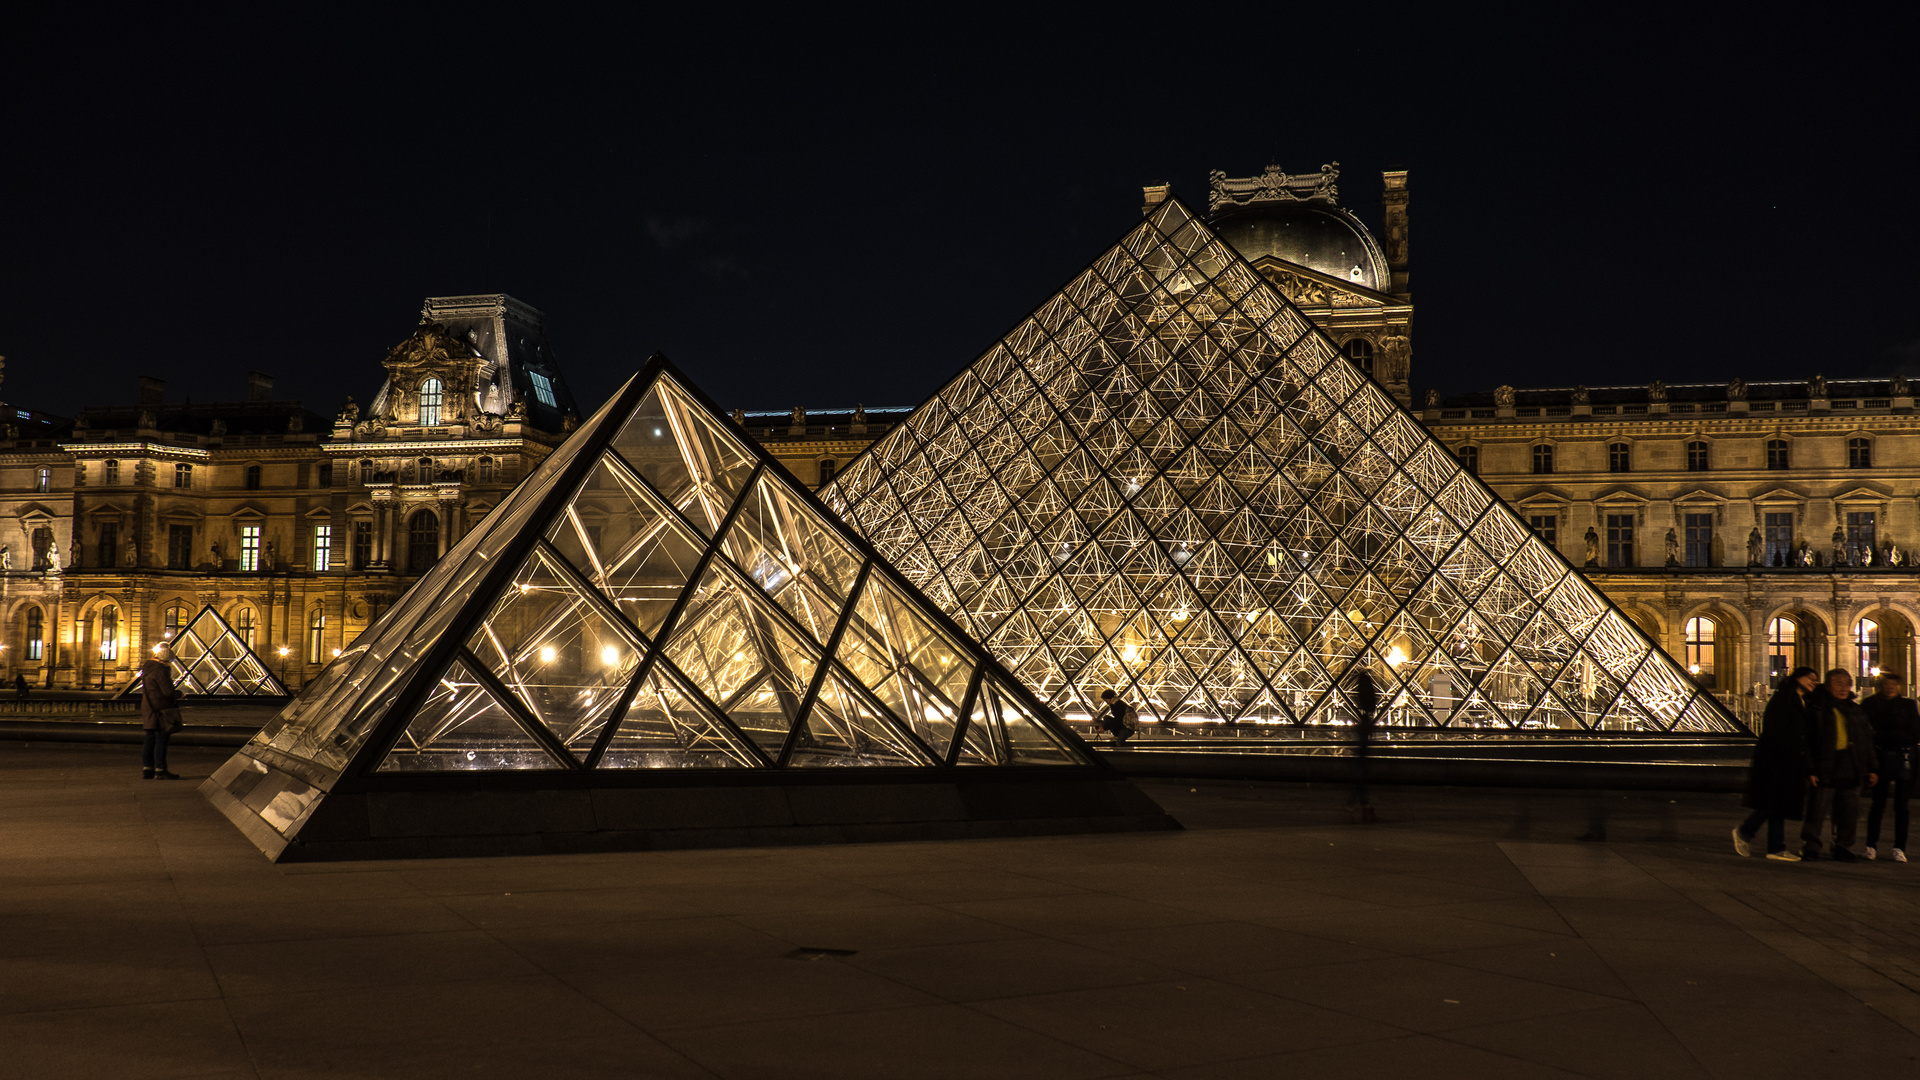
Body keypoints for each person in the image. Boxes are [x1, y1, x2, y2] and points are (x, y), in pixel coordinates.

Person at [1735, 667, 1817, 861]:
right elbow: (1781, 732)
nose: (1814, 682)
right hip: (1778, 759)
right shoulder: (1785, 700)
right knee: (1774, 802)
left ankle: (1775, 847)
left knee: (1777, 803)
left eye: (1816, 680)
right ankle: (1746, 832)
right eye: (1810, 678)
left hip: (1784, 758)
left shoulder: (1799, 700)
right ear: (1798, 678)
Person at [1801, 668, 1877, 860]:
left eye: (1847, 684)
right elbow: (1807, 741)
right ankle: (1811, 845)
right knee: (1817, 809)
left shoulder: (1855, 710)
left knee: (1849, 811)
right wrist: (1810, 768)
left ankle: (1843, 846)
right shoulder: (1817, 709)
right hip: (1826, 764)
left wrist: (1872, 767)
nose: (1844, 688)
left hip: (1851, 764)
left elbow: (1867, 741)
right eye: (1839, 684)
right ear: (1828, 686)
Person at [1864, 671, 1919, 862]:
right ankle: (1871, 845)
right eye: (1887, 683)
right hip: (1881, 757)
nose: (1891, 686)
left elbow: (1915, 732)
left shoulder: (1908, 705)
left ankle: (1899, 847)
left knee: (1901, 805)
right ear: (1881, 684)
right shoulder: (1870, 704)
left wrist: (1885, 736)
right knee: (1877, 804)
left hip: (1902, 757)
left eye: (1894, 683)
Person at [139, 644, 183, 780]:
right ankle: (161, 770)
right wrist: (179, 694)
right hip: (161, 710)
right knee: (161, 740)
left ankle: (148, 769)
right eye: (169, 662)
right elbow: (167, 692)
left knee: (150, 739)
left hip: (149, 708)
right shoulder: (160, 670)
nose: (169, 664)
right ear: (165, 660)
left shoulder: (148, 669)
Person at [1349, 667, 1380, 824]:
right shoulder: (1368, 694)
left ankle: (1355, 808)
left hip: (1360, 752)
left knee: (1359, 781)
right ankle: (1362, 808)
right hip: (1363, 752)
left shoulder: (1362, 691)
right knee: (1360, 780)